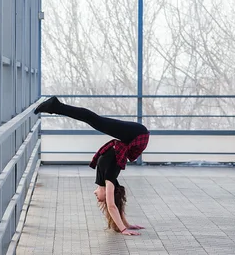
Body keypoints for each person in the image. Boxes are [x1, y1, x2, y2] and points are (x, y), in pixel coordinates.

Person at [35, 96, 149, 236]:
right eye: (103, 198)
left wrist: (127, 224)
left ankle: (56, 106)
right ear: (109, 193)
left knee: (93, 119)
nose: (95, 195)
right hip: (137, 135)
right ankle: (55, 106)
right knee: (93, 119)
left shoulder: (107, 179)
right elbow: (112, 206)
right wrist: (124, 230)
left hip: (134, 137)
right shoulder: (109, 180)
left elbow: (116, 205)